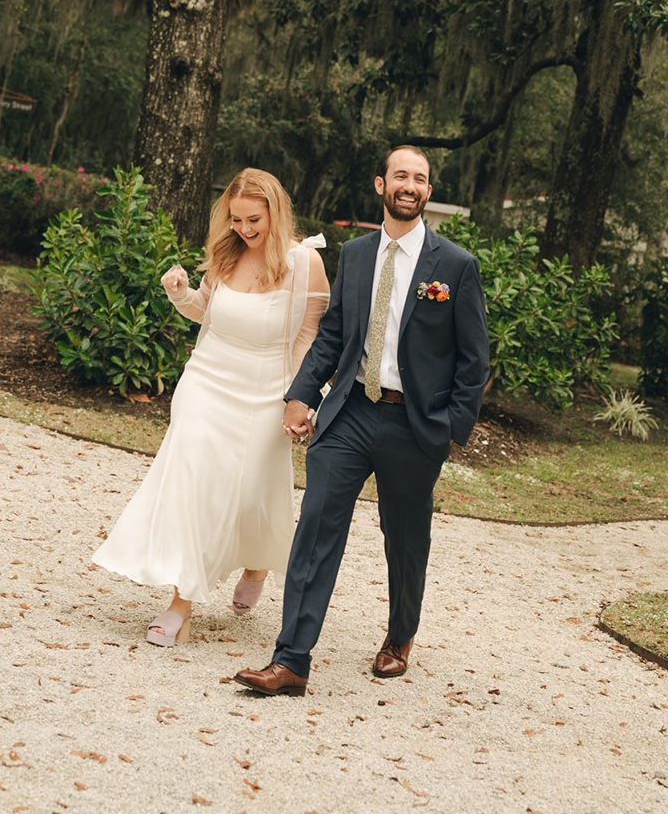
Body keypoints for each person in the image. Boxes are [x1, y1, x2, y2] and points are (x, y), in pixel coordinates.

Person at [235, 146, 489, 696]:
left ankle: (400, 636)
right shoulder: (354, 253)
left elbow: (474, 361)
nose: (410, 185)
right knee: (316, 529)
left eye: (420, 179)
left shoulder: (455, 267)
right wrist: (302, 395)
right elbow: (333, 335)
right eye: (401, 175)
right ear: (381, 184)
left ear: (426, 191)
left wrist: (450, 429)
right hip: (349, 411)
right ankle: (291, 660)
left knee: (404, 538)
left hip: (414, 426)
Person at [93, 168, 330, 644]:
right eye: (236, 218)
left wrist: (302, 398)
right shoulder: (226, 253)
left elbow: (308, 336)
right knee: (196, 484)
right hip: (207, 380)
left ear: (275, 212)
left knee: (253, 490)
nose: (243, 229)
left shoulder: (304, 261)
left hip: (267, 388)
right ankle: (182, 603)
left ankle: (258, 566)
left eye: (253, 219)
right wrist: (180, 294)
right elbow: (209, 311)